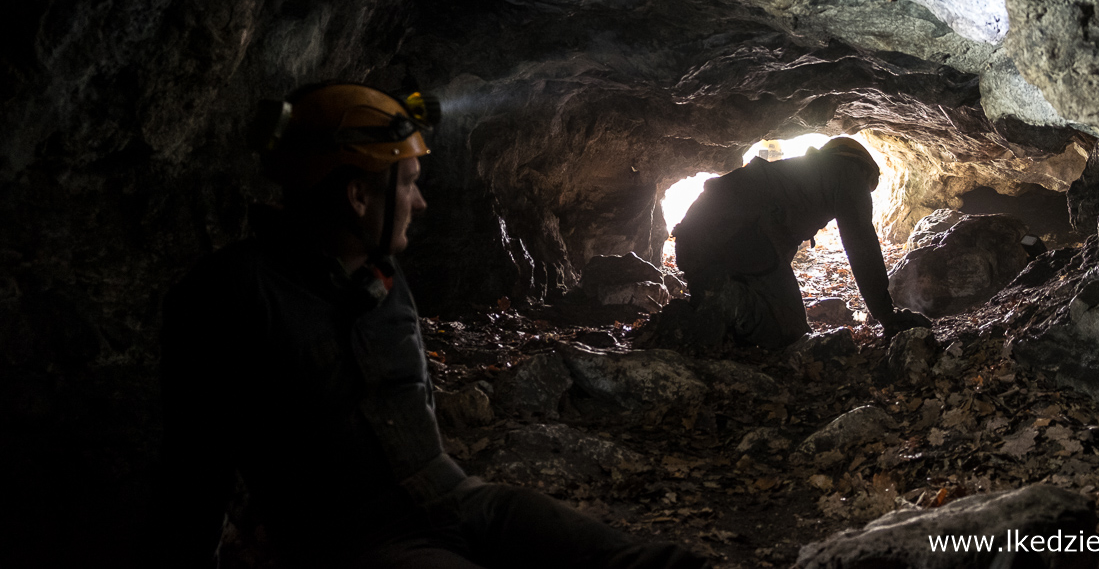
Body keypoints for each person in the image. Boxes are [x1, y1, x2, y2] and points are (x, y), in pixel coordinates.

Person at [157, 82, 708, 569]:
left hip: (458, 499)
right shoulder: (233, 295)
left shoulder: (382, 278)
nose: (420, 203)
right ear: (357, 196)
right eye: (409, 184)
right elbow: (191, 477)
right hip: (358, 542)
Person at [671, 137, 930, 349]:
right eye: (868, 187)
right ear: (865, 170)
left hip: (700, 236)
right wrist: (886, 314)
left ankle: (711, 303)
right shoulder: (850, 172)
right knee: (792, 333)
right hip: (735, 233)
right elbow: (860, 242)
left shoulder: (800, 177)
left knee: (771, 316)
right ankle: (728, 301)